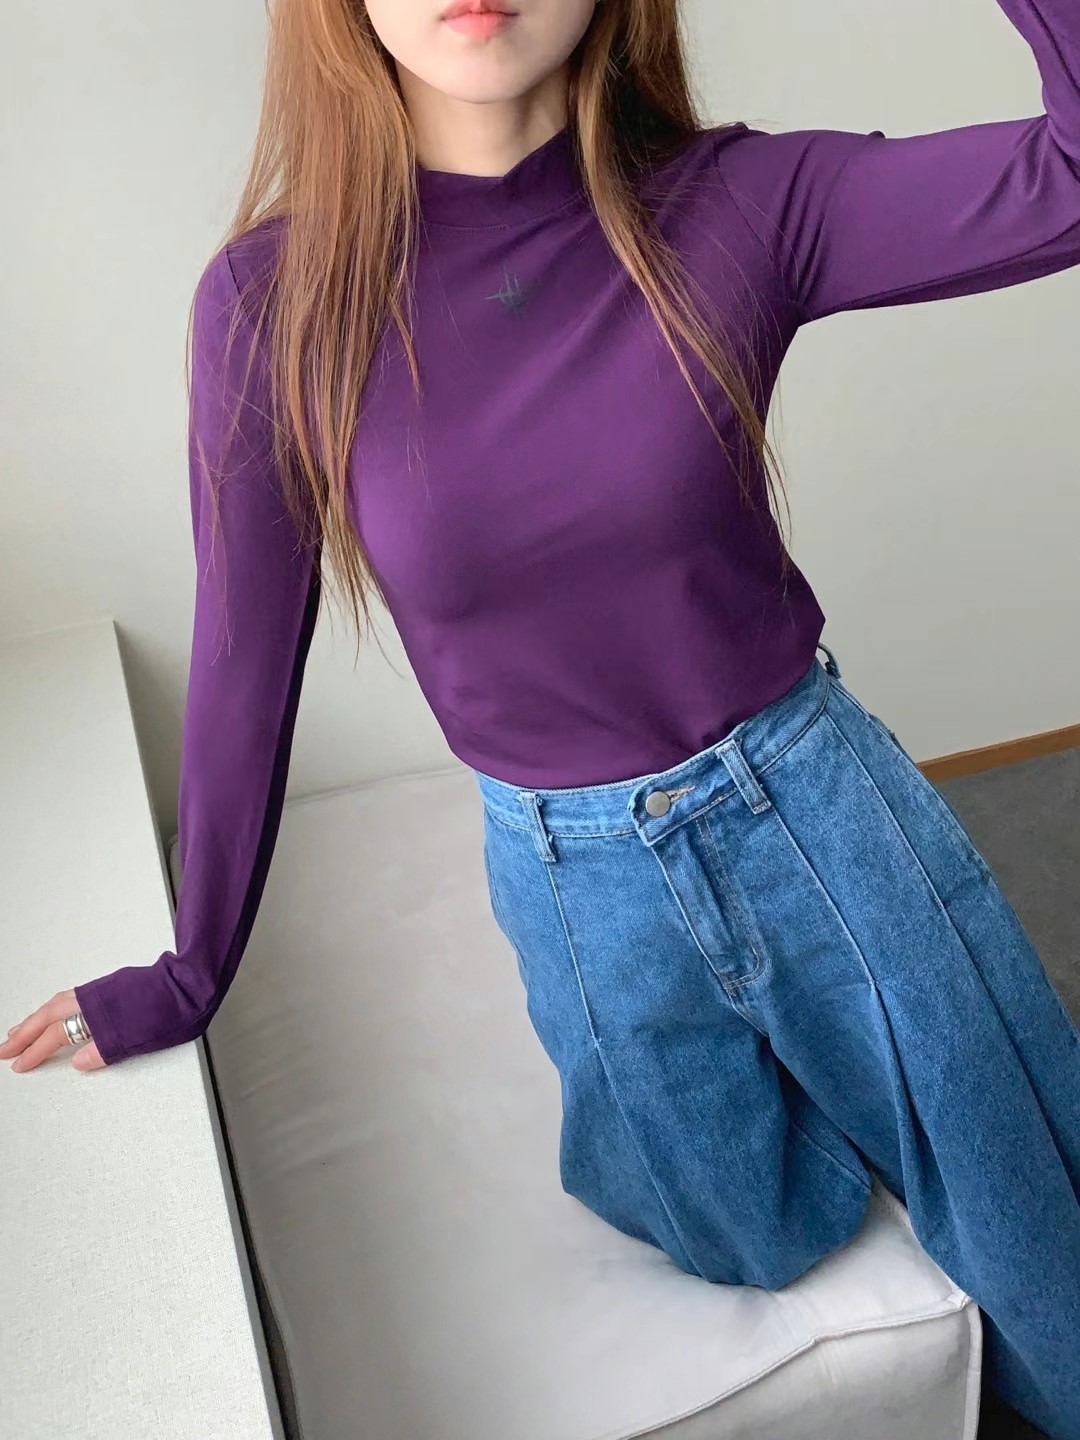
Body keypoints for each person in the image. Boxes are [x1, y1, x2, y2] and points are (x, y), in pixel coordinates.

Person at [5, 0, 1080, 1430]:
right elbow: (243, 658)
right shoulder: (273, 304)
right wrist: (191, 969)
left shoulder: (741, 203)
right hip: (575, 876)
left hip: (814, 807)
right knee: (743, 1230)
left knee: (1036, 1215)